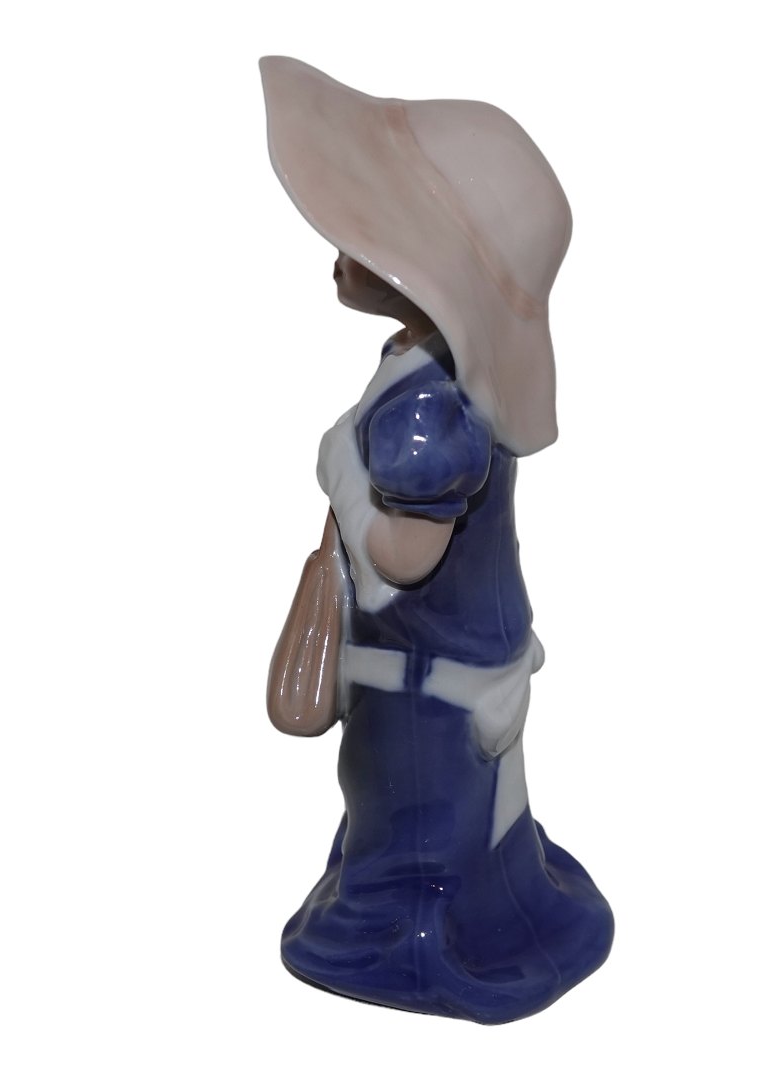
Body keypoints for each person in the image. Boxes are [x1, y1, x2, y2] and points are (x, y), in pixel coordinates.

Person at [260, 57, 614, 1024]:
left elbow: (400, 562)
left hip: (425, 683)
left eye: (367, 231)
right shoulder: (425, 369)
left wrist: (339, 481)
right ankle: (477, 907)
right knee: (447, 819)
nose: (340, 247)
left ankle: (409, 942)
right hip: (449, 672)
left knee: (413, 828)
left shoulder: (426, 416)